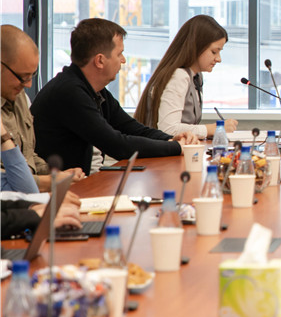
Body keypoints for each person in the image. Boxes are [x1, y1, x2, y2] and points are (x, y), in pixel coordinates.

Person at [31, 18, 199, 174]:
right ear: (100, 61)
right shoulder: (69, 92)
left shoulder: (95, 90)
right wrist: (176, 147)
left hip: (84, 180)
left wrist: (171, 139)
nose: (123, 60)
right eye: (119, 54)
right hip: (63, 186)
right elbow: (117, 145)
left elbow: (131, 128)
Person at [1, 25, 86, 190]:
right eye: (23, 77)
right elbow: (6, 182)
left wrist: (57, 174)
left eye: (32, 75)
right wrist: (52, 181)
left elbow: (28, 157)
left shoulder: (19, 97)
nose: (28, 84)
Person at [134, 15, 237, 139]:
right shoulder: (179, 76)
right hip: (160, 149)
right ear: (197, 47)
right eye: (214, 52)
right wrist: (212, 129)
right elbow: (168, 129)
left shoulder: (196, 76)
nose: (218, 59)